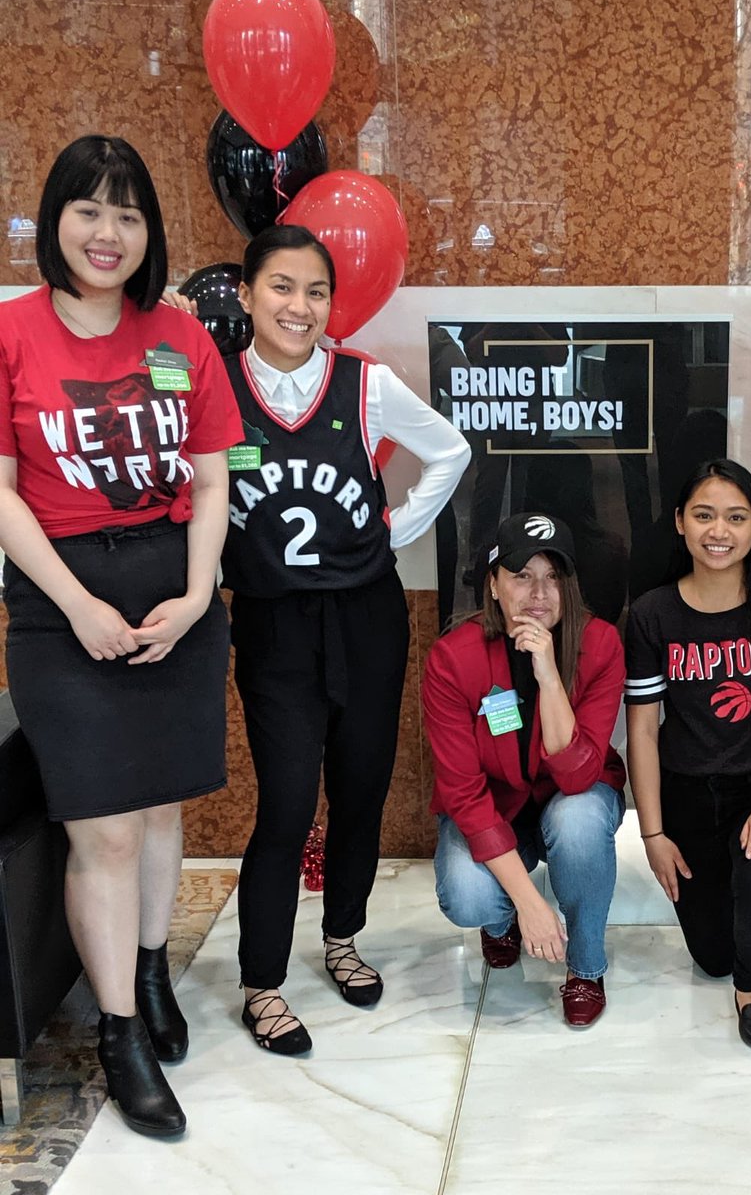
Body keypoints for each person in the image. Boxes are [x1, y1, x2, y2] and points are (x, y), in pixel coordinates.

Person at [0, 136, 243, 1135]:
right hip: (60, 598)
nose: (108, 233)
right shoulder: (11, 332)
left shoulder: (179, 338)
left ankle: (150, 974)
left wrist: (195, 597)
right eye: (89, 210)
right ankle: (120, 1036)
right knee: (100, 823)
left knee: (155, 805)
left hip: (172, 587)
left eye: (129, 214)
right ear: (55, 218)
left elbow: (215, 474)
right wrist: (74, 605)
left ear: (151, 232)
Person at [222, 224, 469, 1053]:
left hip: (365, 618)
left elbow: (450, 450)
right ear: (249, 292)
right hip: (271, 625)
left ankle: (342, 937)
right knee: (287, 804)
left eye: (316, 291)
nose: (300, 305)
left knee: (359, 792)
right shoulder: (215, 389)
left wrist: (393, 531)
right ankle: (261, 983)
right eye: (283, 286)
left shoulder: (363, 383)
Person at [624, 459, 751, 1048]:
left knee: (750, 935)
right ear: (680, 525)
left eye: (736, 517)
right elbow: (642, 731)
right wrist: (654, 835)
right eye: (705, 515)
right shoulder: (652, 615)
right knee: (712, 955)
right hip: (690, 795)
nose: (720, 531)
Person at [423, 512, 625, 1028]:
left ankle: (585, 967)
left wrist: (550, 676)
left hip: (569, 798)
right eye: (521, 575)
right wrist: (529, 902)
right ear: (492, 584)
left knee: (577, 819)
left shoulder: (600, 645)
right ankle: (503, 917)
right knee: (468, 897)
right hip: (493, 809)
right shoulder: (453, 659)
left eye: (554, 576)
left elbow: (578, 775)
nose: (539, 592)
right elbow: (464, 796)